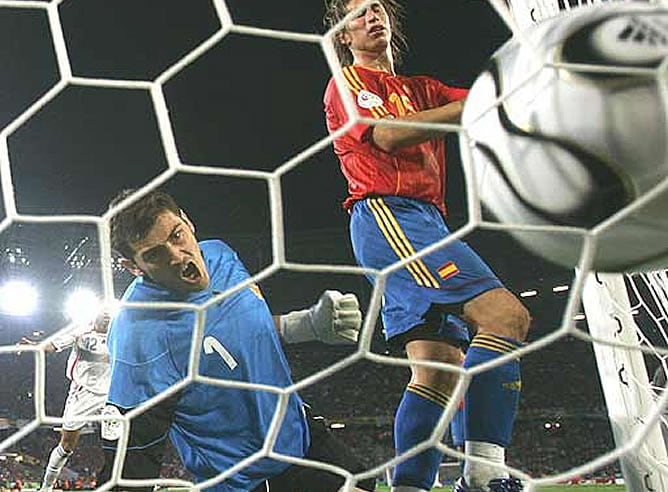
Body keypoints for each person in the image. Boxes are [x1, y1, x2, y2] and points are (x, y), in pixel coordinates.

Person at [322, 2, 531, 491]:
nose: (372, 17)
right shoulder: (349, 84)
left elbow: (494, 96)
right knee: (506, 317)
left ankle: (410, 486)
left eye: (377, 7)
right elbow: (391, 136)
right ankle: (483, 477)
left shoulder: (424, 89)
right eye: (357, 15)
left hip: (427, 221)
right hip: (388, 215)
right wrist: (470, 108)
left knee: (439, 370)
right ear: (343, 37)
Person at [100, 189, 376, 492]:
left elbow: (241, 330)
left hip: (300, 432)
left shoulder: (220, 255)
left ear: (188, 222)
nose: (177, 257)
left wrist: (306, 324)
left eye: (176, 236)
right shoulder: (139, 335)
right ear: (134, 267)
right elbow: (132, 451)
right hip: (251, 477)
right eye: (155, 254)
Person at [20, 310, 112, 492]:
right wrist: (35, 346)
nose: (107, 318)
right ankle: (46, 487)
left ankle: (126, 479)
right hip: (82, 394)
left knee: (120, 439)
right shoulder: (81, 331)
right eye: (104, 315)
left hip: (111, 394)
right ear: (95, 316)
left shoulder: (119, 332)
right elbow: (53, 345)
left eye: (110, 316)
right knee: (67, 444)